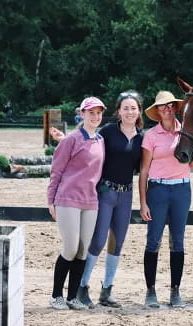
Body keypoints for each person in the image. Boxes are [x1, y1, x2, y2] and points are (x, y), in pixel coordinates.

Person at [74, 90, 144, 308]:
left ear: (139, 111)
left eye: (133, 108)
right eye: (126, 108)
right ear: (119, 111)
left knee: (118, 242)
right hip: (105, 192)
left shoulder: (143, 138)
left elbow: (145, 167)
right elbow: (88, 147)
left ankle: (107, 289)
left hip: (126, 194)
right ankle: (82, 286)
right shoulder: (108, 132)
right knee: (98, 240)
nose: (130, 111)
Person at [139, 91, 193, 308]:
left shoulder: (186, 131)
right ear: (156, 110)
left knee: (178, 241)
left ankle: (175, 291)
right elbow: (144, 170)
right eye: (162, 106)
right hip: (158, 190)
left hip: (182, 190)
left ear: (175, 108)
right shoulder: (151, 136)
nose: (167, 109)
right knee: (153, 240)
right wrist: (143, 201)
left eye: (170, 105)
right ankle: (151, 291)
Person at [47, 97, 106, 310]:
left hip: (90, 202)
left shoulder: (100, 141)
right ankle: (56, 296)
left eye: (99, 113)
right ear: (82, 114)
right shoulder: (71, 140)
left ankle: (72, 297)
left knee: (82, 250)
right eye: (91, 112)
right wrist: (51, 200)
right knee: (70, 248)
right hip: (67, 199)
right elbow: (57, 171)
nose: (95, 116)